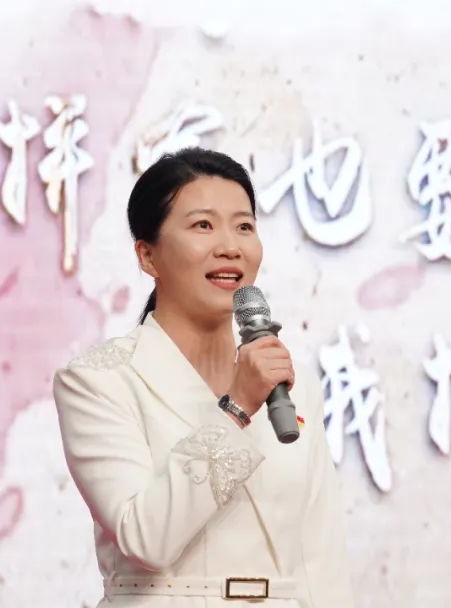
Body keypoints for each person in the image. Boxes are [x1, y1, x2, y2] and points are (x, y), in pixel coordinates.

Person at [53, 147, 354, 606]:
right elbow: (144, 538)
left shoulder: (289, 382)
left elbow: (321, 557)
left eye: (244, 226)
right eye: (203, 226)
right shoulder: (99, 381)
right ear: (148, 255)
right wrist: (236, 408)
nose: (230, 246)